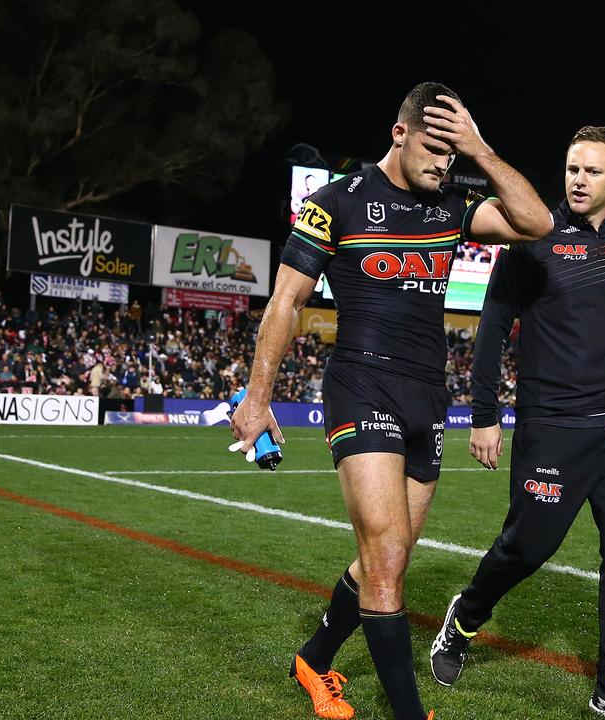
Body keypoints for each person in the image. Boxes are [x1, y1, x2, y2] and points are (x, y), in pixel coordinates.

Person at [230, 82, 551, 720]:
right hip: (361, 385)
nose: (442, 164)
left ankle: (314, 660)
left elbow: (536, 223)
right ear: (398, 134)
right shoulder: (333, 204)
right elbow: (286, 303)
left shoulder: (451, 205)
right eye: (434, 149)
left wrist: (479, 150)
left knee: (392, 557)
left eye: (450, 154)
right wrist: (257, 396)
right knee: (384, 565)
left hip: (427, 395)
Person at [428, 127, 605, 720]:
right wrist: (484, 415)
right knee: (526, 548)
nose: (578, 180)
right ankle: (463, 620)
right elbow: (492, 326)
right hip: (553, 427)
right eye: (571, 169)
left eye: (592, 171)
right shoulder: (532, 236)